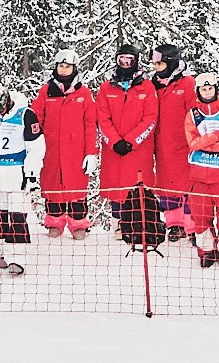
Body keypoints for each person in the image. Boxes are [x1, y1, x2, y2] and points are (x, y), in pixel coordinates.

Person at [0, 84, 45, 269]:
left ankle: (18, 258)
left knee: (17, 216)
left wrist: (30, 174)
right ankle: (4, 251)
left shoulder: (25, 115)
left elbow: (36, 148)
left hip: (17, 172)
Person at [29, 48, 98, 238]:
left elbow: (91, 124)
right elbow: (35, 118)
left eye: (68, 66)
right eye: (61, 66)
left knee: (76, 188)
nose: (64, 70)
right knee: (53, 187)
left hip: (76, 151)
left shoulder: (84, 93)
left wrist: (91, 152)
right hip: (51, 150)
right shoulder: (46, 91)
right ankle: (54, 223)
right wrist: (34, 146)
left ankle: (78, 224)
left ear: (74, 68)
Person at [96, 45, 159, 240]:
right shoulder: (107, 88)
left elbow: (151, 117)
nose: (125, 63)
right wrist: (114, 141)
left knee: (138, 184)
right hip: (114, 149)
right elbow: (101, 118)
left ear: (135, 61)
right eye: (121, 59)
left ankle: (137, 223)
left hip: (138, 149)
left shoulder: (146, 86)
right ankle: (117, 223)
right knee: (115, 184)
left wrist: (132, 140)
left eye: (129, 60)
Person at [184, 72, 219, 267]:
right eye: (203, 89)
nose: (207, 92)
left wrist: (206, 143)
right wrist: (216, 136)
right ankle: (206, 250)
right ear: (198, 91)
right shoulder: (193, 114)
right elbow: (192, 142)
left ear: (216, 89)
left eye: (210, 89)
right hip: (198, 175)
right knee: (200, 215)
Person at [147, 45, 196, 237]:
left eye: (159, 64)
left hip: (184, 145)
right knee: (166, 184)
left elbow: (195, 114)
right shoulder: (153, 85)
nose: (155, 68)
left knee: (188, 185)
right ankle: (174, 224)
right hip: (161, 145)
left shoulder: (186, 83)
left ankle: (192, 225)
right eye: (154, 64)